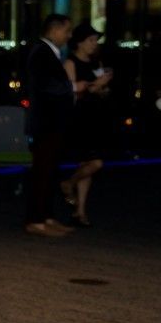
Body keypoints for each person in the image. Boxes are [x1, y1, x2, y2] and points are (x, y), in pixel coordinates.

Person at [24, 13, 77, 238]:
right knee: (42, 172)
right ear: (54, 31)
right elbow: (47, 86)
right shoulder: (41, 53)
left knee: (50, 171)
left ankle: (46, 217)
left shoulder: (48, 53)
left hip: (52, 123)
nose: (69, 35)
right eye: (67, 31)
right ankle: (36, 220)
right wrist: (74, 87)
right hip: (45, 123)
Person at [60, 22, 111, 227]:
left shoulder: (94, 63)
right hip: (79, 119)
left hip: (94, 118)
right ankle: (68, 183)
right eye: (91, 40)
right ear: (79, 42)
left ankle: (79, 211)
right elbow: (72, 93)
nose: (94, 44)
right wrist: (94, 87)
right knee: (95, 163)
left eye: (95, 41)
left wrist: (102, 88)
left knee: (86, 165)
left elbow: (98, 92)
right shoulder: (70, 63)